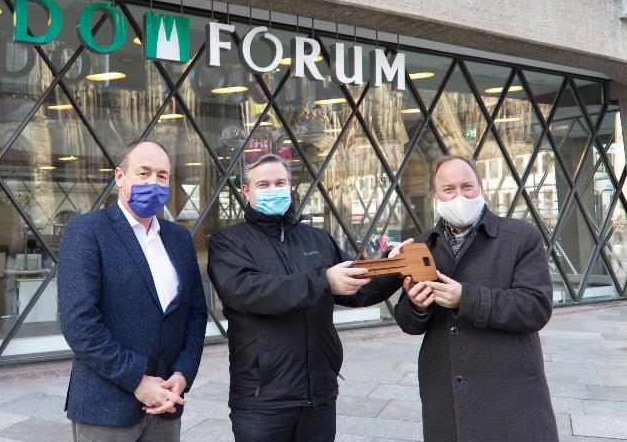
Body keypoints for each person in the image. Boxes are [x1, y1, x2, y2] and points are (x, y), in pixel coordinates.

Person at [207, 153, 403, 442]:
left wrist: (393, 265)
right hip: (263, 399)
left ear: (290, 187)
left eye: (280, 182)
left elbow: (359, 286)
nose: (274, 189)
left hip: (319, 393)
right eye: (264, 184)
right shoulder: (229, 242)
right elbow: (247, 292)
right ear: (246, 192)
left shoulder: (317, 239)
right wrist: (323, 281)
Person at [392, 155, 558, 442]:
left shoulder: (520, 237)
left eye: (467, 186)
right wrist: (416, 306)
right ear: (435, 196)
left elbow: (535, 308)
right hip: (447, 397)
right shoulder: (421, 246)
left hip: (510, 395)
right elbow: (408, 322)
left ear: (481, 187)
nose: (459, 195)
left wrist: (464, 298)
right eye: (449, 189)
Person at [58, 139, 207, 442]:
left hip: (166, 405)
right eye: (143, 173)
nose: (154, 182)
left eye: (162, 175)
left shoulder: (179, 240)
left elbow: (195, 313)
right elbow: (79, 324)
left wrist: (182, 375)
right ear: (119, 177)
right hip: (105, 411)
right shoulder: (88, 231)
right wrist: (137, 382)